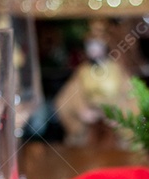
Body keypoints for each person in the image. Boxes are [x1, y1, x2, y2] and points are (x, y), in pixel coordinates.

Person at [54, 20, 137, 149]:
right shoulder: (83, 71)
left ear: (105, 46)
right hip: (91, 126)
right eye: (89, 46)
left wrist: (120, 116)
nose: (92, 49)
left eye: (96, 45)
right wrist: (81, 111)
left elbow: (133, 96)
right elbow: (66, 98)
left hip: (115, 124)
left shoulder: (117, 70)